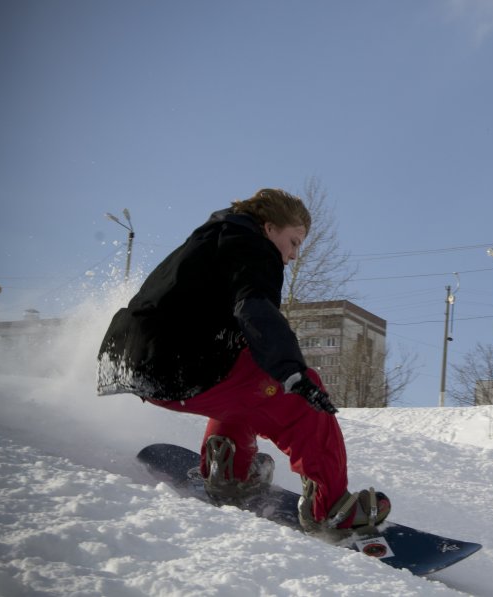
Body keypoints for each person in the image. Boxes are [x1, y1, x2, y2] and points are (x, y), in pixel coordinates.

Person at [97, 188, 390, 533]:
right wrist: (291, 371)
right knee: (300, 400)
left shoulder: (214, 238)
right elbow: (254, 308)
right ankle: (333, 510)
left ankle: (230, 473)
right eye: (294, 242)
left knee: (248, 378)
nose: (295, 255)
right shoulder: (255, 250)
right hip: (178, 360)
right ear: (269, 229)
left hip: (131, 360)